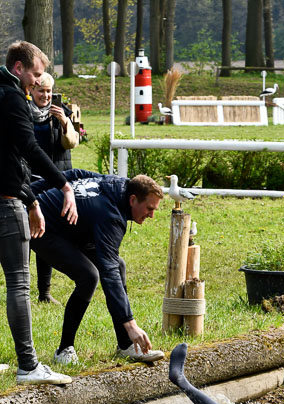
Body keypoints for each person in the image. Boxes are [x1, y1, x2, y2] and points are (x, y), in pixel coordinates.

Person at [0, 40, 78, 386]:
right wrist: (62, 184)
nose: (37, 83)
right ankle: (29, 366)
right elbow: (27, 148)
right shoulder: (13, 96)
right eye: (35, 74)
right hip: (5, 202)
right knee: (19, 281)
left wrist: (31, 199)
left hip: (12, 193)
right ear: (19, 68)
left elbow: (6, 156)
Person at [30, 169, 165, 364]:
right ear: (133, 200)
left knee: (119, 267)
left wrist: (29, 191)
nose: (152, 215)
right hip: (45, 227)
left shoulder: (116, 184)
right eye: (149, 208)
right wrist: (131, 324)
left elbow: (74, 173)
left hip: (74, 227)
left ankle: (126, 346)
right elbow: (107, 272)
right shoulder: (111, 216)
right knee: (89, 276)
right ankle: (64, 350)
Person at [29, 71, 80, 303]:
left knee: (45, 233)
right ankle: (20, 287)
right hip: (29, 179)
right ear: (32, 91)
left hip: (56, 179)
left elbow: (71, 143)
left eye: (49, 91)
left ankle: (44, 292)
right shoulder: (23, 112)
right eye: (41, 91)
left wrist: (64, 121)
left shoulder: (62, 114)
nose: (46, 95)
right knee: (25, 233)